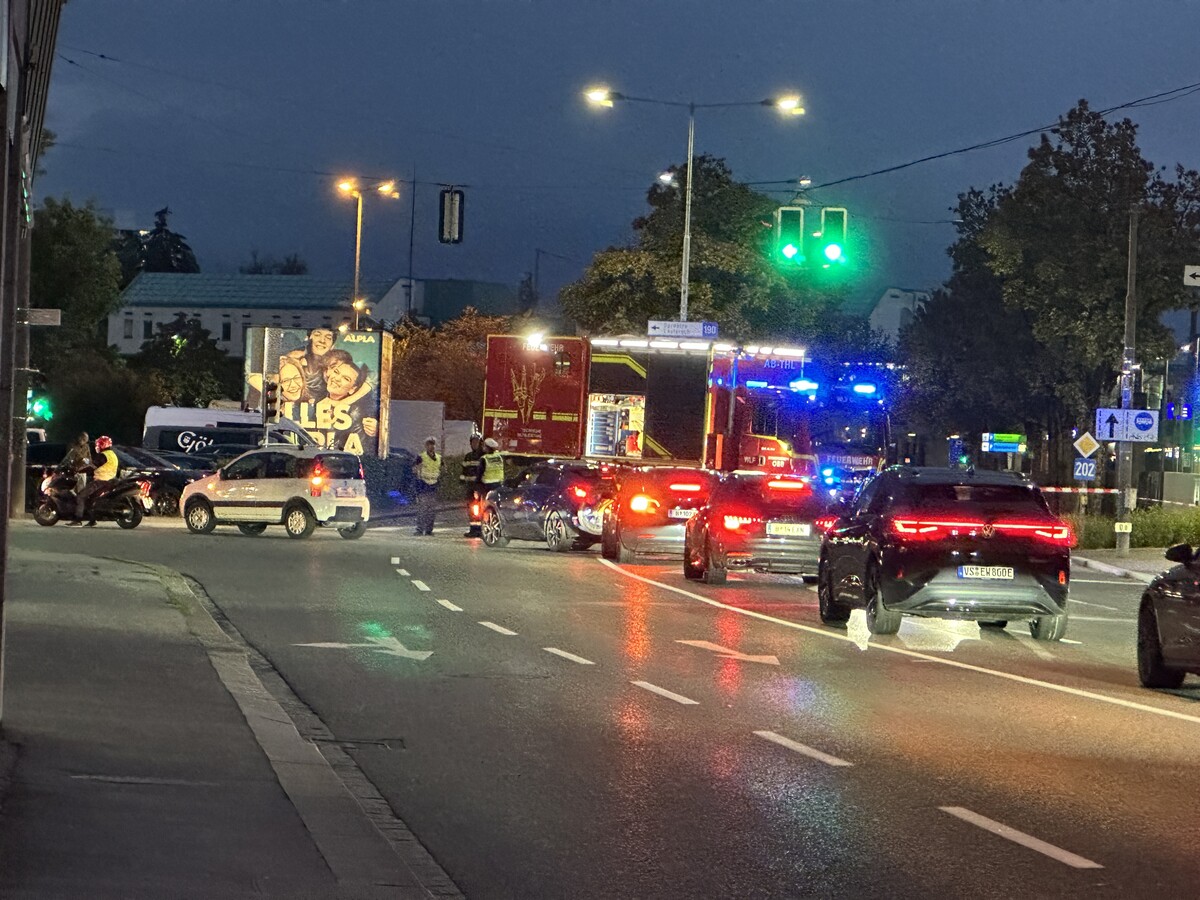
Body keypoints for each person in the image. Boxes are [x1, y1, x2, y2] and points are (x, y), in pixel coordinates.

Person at [71, 435, 119, 526]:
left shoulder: (103, 455)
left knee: (81, 496)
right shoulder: (112, 455)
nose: (97, 447)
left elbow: (93, 467)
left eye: (98, 445)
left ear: (102, 445)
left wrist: (79, 470)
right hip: (110, 481)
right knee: (91, 499)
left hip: (100, 481)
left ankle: (78, 520)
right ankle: (92, 520)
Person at [285, 327, 336, 400]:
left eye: (328, 338)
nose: (322, 341)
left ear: (332, 346)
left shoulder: (333, 369)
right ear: (308, 338)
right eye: (317, 335)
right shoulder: (293, 360)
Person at [412, 436, 442, 536]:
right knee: (422, 509)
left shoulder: (439, 458)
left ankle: (429, 530)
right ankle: (420, 529)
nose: (431, 446)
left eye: (433, 444)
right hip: (423, 485)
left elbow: (443, 470)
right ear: (426, 446)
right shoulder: (421, 457)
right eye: (429, 444)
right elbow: (414, 470)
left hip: (433, 486)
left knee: (431, 510)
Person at [461, 433, 485, 538]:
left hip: (480, 487)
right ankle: (473, 529)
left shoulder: (483, 456)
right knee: (471, 508)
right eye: (473, 442)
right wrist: (462, 481)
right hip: (470, 487)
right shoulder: (468, 456)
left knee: (480, 508)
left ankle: (480, 529)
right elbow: (464, 471)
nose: (474, 444)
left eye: (476, 442)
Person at [60, 432, 91, 496]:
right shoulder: (72, 445)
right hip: (73, 470)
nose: (84, 441)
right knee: (72, 490)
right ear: (79, 438)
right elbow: (69, 457)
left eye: (86, 440)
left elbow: (89, 458)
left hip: (82, 470)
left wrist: (86, 461)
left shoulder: (86, 446)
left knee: (81, 490)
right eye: (83, 439)